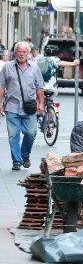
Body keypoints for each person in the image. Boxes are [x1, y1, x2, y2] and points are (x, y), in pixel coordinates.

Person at [0, 42, 44, 170]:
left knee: (31, 133)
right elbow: (1, 87)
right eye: (19, 51)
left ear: (28, 53)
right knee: (13, 135)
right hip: (12, 107)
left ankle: (25, 154)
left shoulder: (34, 67)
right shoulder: (7, 67)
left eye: (24, 52)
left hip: (29, 108)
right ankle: (17, 161)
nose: (22, 54)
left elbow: (39, 87)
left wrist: (41, 103)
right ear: (15, 53)